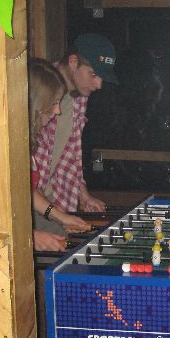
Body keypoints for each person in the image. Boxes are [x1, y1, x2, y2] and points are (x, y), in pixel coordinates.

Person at [33, 34, 118, 232]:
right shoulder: (39, 88)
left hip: (48, 199)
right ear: (73, 62)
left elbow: (70, 152)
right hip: (32, 199)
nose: (99, 85)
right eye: (93, 74)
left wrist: (83, 195)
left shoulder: (80, 96)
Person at [28, 58, 91, 251]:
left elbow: (27, 190)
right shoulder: (4, 141)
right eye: (54, 103)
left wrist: (62, 217)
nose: (57, 110)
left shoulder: (26, 138)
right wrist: (30, 236)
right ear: (36, 102)